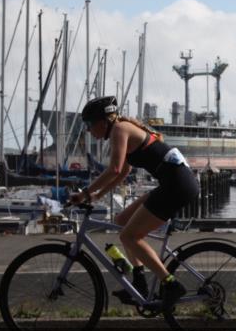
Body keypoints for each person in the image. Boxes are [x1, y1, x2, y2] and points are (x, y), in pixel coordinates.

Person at [69, 96, 199, 306]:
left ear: (102, 122)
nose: (88, 130)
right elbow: (122, 174)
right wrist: (97, 195)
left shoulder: (120, 129)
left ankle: (171, 283)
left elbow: (114, 169)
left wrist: (85, 193)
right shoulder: (122, 131)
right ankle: (139, 282)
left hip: (177, 186)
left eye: (89, 124)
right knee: (122, 220)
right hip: (173, 184)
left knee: (129, 236)